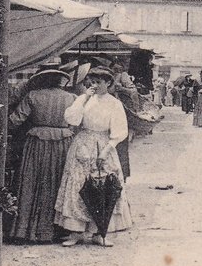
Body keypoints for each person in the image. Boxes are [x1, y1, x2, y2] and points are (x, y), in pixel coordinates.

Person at [56, 67, 133, 246]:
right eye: (93, 82)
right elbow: (72, 119)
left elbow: (120, 131)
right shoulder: (84, 99)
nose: (95, 85)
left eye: (99, 82)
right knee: (77, 185)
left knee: (103, 186)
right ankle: (75, 232)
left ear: (108, 83)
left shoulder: (114, 103)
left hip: (104, 143)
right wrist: (84, 98)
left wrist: (106, 151)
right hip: (82, 143)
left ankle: (99, 231)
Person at [7, 66, 76, 243]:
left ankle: (26, 230)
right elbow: (77, 123)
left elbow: (15, 121)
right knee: (58, 181)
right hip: (63, 143)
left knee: (32, 181)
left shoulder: (33, 96)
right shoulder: (71, 98)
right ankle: (57, 230)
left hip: (37, 143)